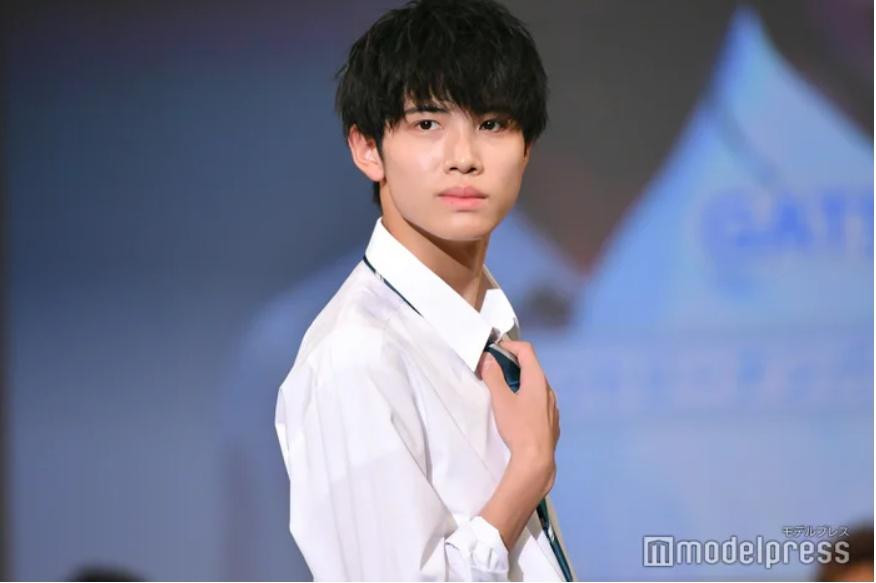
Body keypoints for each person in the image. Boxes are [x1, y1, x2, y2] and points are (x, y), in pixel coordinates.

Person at [273, 0, 576, 580]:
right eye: (428, 124)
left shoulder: (485, 326)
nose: (464, 158)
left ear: (527, 149)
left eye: (492, 124)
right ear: (367, 148)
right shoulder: (357, 355)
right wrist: (528, 472)